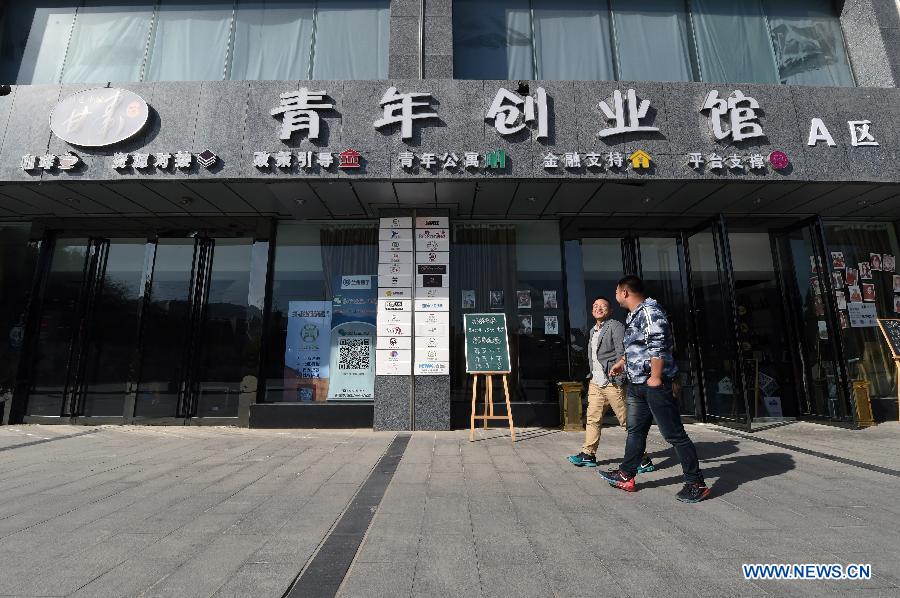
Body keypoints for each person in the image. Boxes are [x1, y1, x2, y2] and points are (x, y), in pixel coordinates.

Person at [598, 276, 711, 503]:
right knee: (636, 431)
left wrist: (656, 377)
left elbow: (658, 345)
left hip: (654, 384)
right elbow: (638, 346)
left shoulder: (650, 312)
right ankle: (626, 475)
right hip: (638, 384)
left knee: (674, 434)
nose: (616, 296)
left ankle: (696, 483)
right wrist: (622, 362)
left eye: (617, 292)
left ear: (625, 292)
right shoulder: (635, 314)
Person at [568, 296, 654, 474]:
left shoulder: (615, 326)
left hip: (613, 383)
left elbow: (623, 353)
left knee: (627, 422)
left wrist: (620, 378)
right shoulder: (592, 330)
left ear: (610, 310)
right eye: (595, 305)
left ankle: (643, 459)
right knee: (592, 419)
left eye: (603, 306)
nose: (598, 308)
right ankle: (588, 454)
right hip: (596, 383)